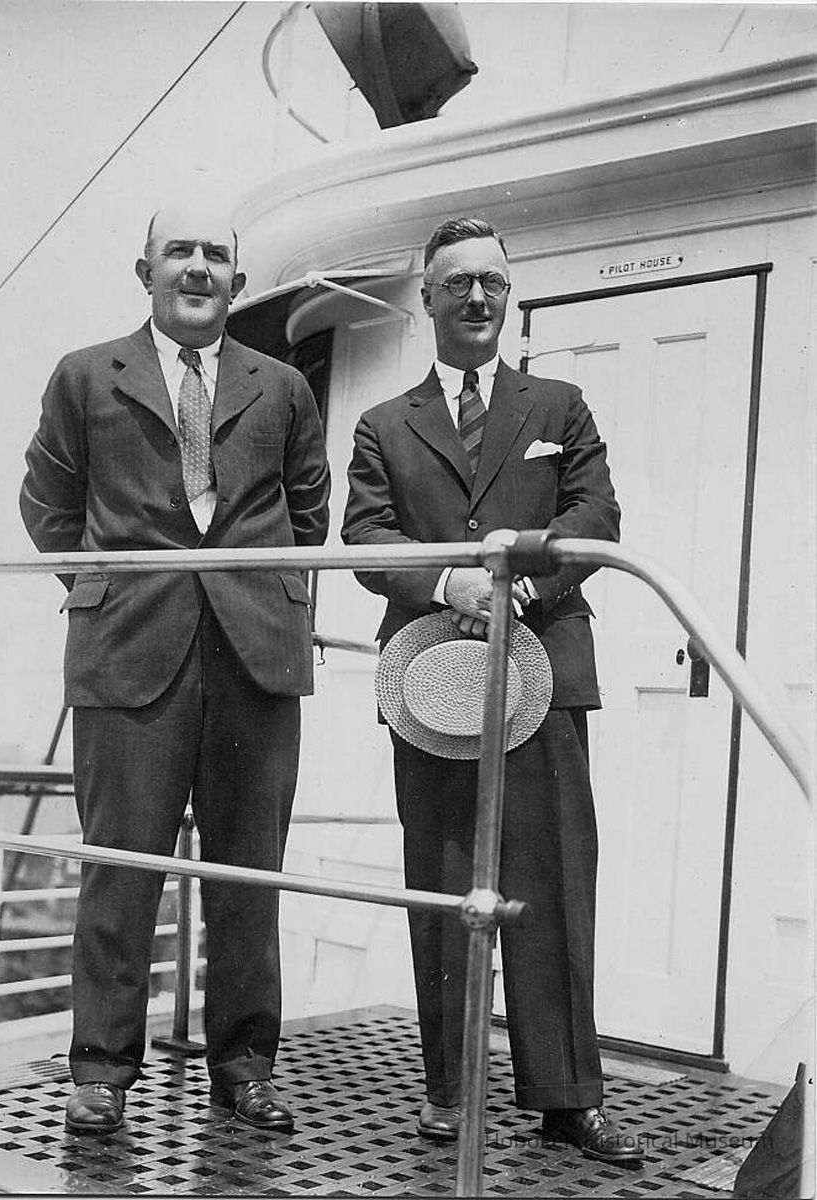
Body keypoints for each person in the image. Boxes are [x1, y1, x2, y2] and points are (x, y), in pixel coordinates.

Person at [19, 196, 330, 1136]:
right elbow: (47, 508)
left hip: (254, 659)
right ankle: (103, 1071)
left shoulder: (281, 386)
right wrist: (115, 594)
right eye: (179, 253)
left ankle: (245, 1067)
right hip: (128, 655)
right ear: (145, 271)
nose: (198, 269)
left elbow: (307, 517)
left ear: (238, 279)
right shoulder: (85, 377)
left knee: (250, 871)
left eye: (216, 256)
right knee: (120, 868)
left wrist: (253, 599)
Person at [342, 216, 641, 1165]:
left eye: (492, 285)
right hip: (428, 676)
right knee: (440, 886)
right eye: (457, 283)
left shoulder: (558, 403)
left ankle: (567, 1097)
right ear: (425, 297)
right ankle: (447, 1090)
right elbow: (367, 539)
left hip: (541, 670)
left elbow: (595, 511)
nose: (477, 299)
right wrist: (449, 583)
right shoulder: (383, 425)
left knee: (551, 886)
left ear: (507, 298)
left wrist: (523, 583)